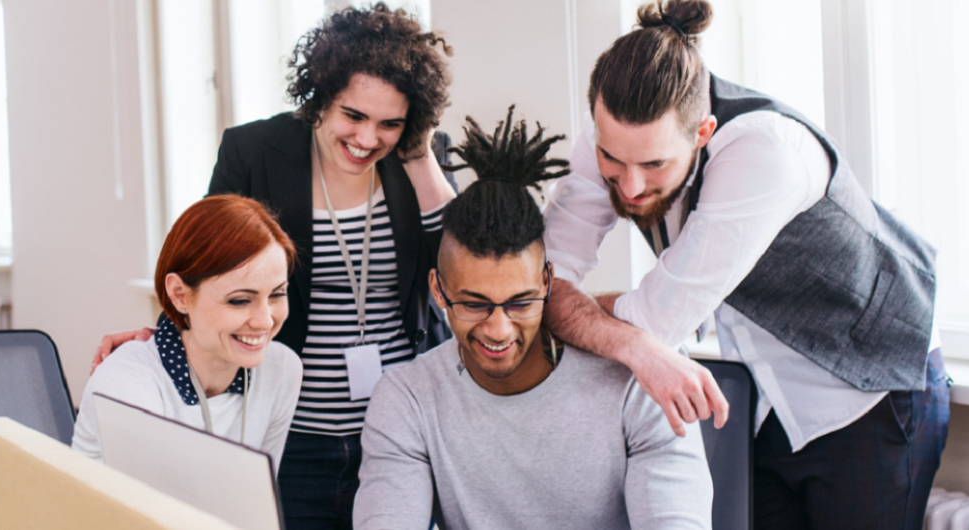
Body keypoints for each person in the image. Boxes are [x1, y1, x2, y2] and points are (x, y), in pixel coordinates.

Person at [541, 1, 949, 528]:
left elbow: (655, 319)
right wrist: (614, 331)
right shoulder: (613, 134)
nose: (631, 184)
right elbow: (545, 283)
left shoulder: (764, 152)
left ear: (702, 133)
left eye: (655, 164)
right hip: (766, 402)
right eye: (612, 161)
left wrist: (597, 320)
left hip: (872, 390)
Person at [91, 6, 458, 528]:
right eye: (353, 115)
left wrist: (419, 152)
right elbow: (209, 262)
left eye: (390, 123)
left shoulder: (415, 159)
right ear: (321, 96)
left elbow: (460, 269)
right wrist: (166, 336)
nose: (368, 138)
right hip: (293, 433)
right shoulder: (256, 151)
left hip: (399, 435)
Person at [355, 109, 711, 530]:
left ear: (548, 282)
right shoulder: (407, 400)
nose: (499, 329)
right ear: (438, 291)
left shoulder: (641, 384)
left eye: (520, 303)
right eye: (474, 304)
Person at [71, 195, 306, 468]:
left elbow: (259, 500)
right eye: (240, 300)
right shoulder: (127, 383)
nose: (265, 321)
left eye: (276, 295)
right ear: (179, 295)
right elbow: (149, 509)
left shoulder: (281, 368)